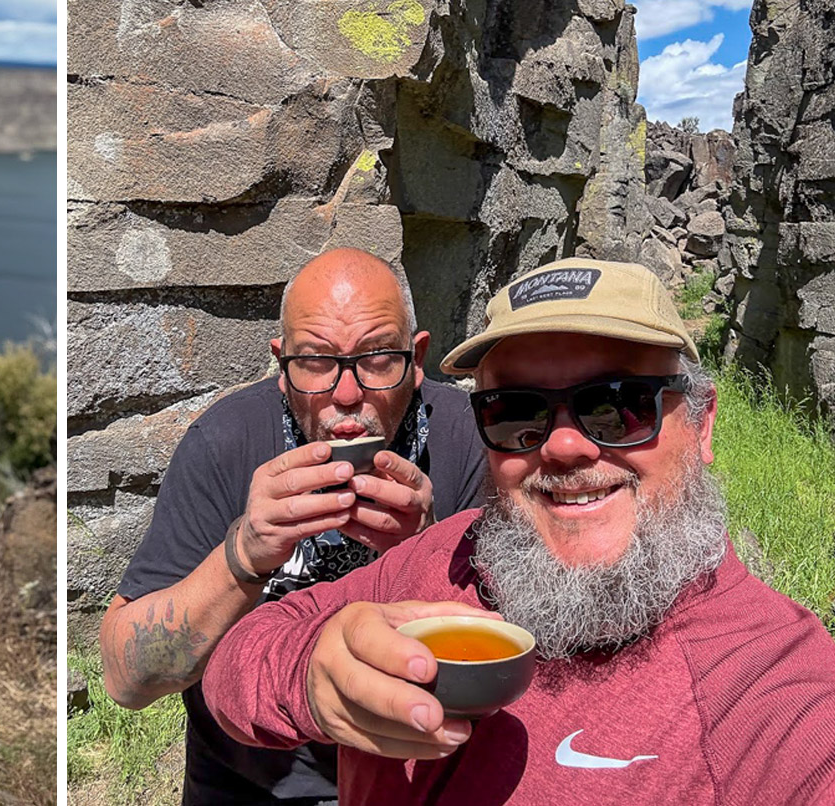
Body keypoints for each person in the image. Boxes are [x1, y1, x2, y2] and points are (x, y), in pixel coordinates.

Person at [202, 257, 835, 804]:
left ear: (701, 426)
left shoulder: (769, 687)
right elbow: (234, 667)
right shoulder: (457, 556)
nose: (562, 445)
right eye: (516, 414)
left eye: (618, 405)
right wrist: (314, 677)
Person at [100, 248, 489, 804]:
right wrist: (243, 556)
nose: (347, 394)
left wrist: (430, 549)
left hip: (422, 771)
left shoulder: (468, 436)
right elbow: (125, 678)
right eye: (315, 362)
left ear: (418, 356)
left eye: (378, 358)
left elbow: (520, 649)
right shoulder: (225, 443)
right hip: (252, 781)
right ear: (282, 366)